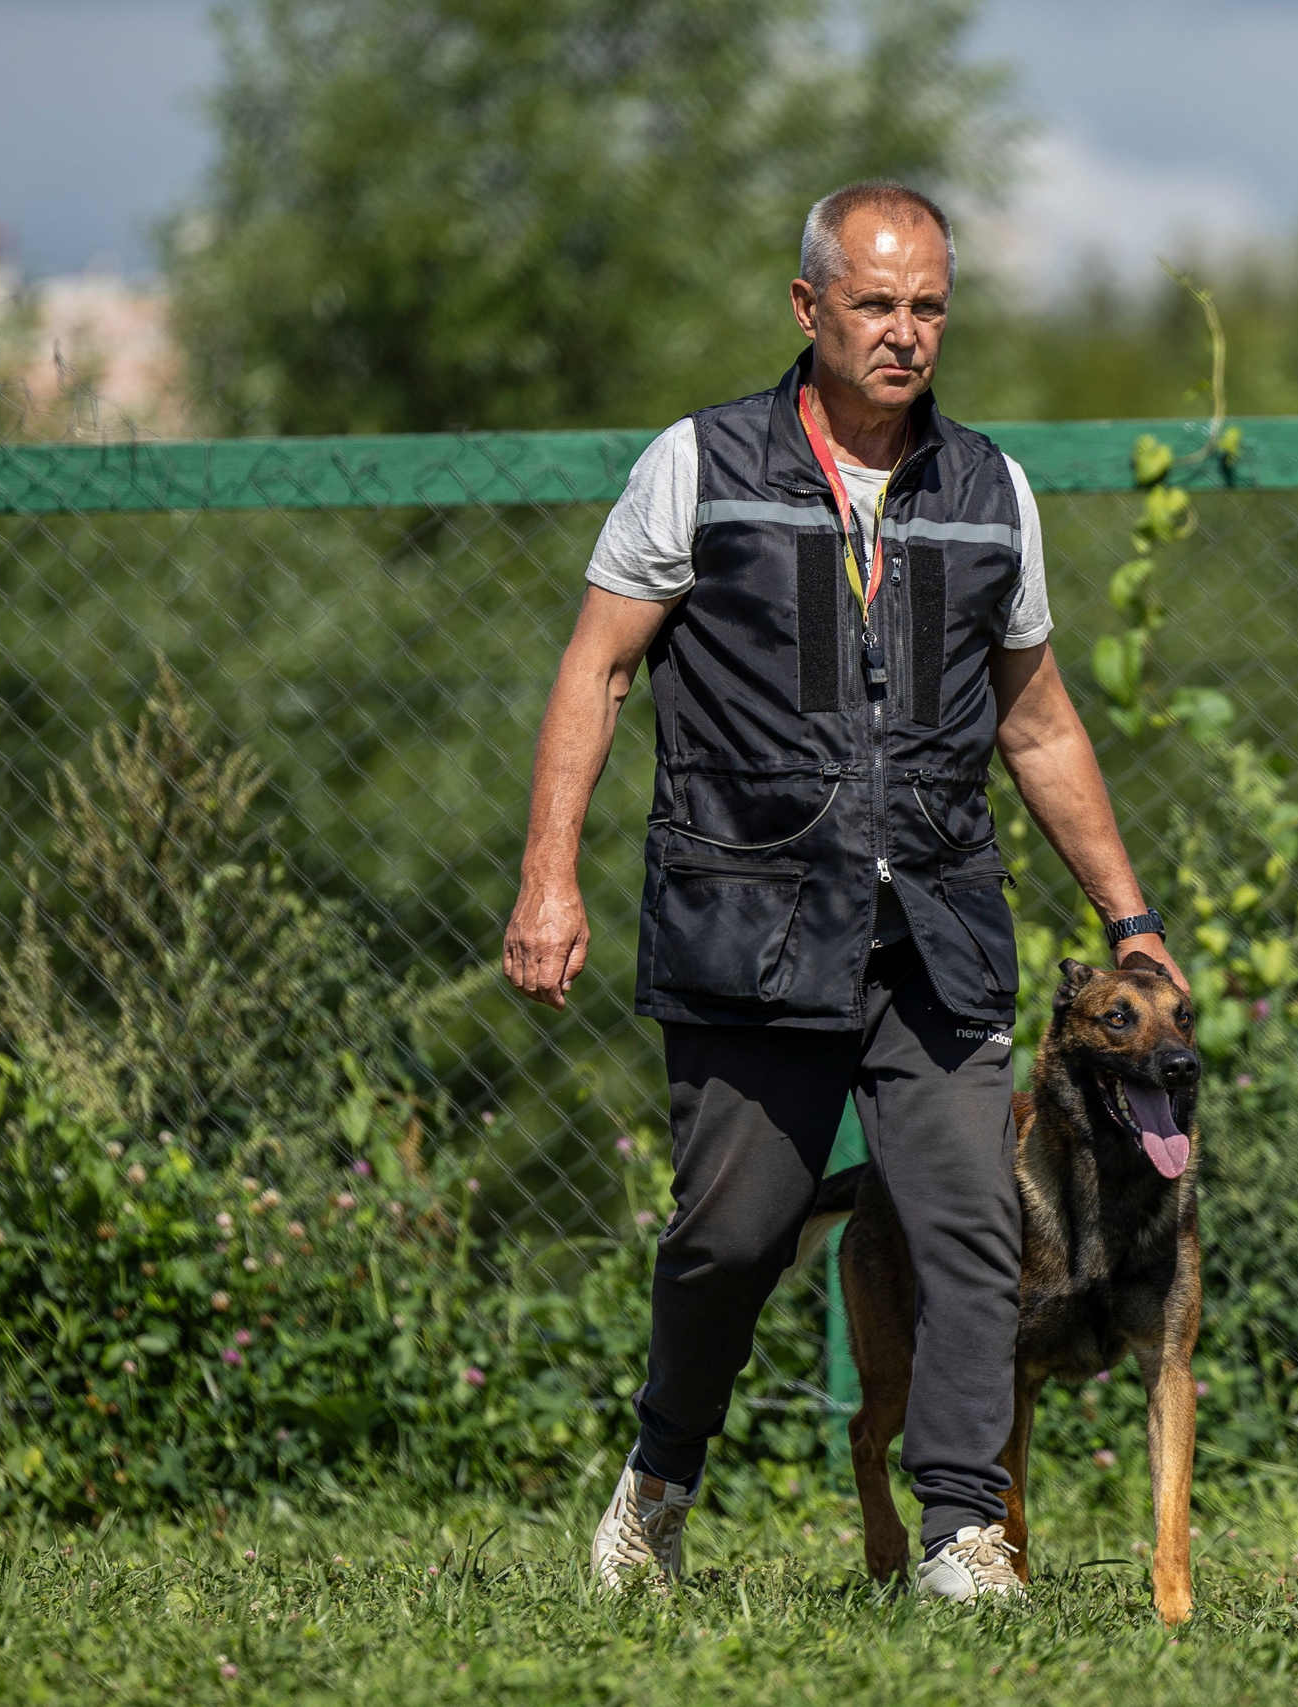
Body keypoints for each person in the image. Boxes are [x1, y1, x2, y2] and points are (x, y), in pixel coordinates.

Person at [501, 181, 1183, 1602]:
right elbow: (598, 666)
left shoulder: (993, 492)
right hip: (749, 926)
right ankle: (659, 1481)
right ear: (808, 309)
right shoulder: (700, 465)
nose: (905, 332)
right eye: (875, 304)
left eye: (929, 306)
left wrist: (1131, 920)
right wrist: (547, 880)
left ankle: (960, 1533)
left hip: (933, 932)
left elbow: (1040, 721)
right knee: (730, 1238)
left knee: (969, 1223)